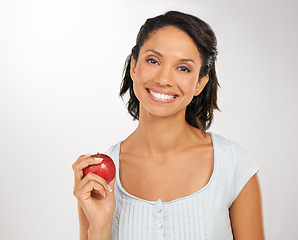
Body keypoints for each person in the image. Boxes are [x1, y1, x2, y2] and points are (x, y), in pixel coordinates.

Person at [72, 11, 265, 240]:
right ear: (134, 66)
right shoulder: (100, 178)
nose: (164, 79)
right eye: (153, 60)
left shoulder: (233, 165)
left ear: (200, 84)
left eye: (183, 68)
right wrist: (100, 227)